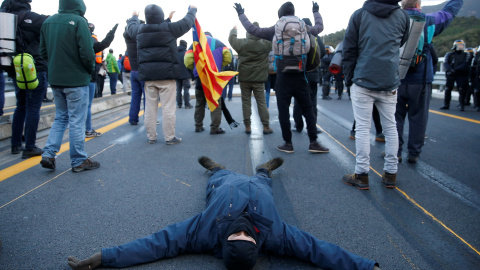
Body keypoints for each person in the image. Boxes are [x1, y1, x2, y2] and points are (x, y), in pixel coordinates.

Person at [67, 156, 381, 270]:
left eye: (237, 235)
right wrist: (367, 267)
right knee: (261, 180)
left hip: (225, 185)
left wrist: (105, 257)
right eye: (247, 236)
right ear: (258, 246)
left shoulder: (202, 232)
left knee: (219, 178)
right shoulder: (277, 236)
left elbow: (156, 244)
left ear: (224, 242)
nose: (242, 229)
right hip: (258, 188)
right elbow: (319, 250)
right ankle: (263, 169)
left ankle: (216, 168)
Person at [235, 1, 329, 154]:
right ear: (293, 12)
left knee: (283, 110)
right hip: (300, 75)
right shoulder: (303, 27)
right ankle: (313, 142)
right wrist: (316, 11)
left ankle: (288, 143)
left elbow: (253, 29)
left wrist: (241, 14)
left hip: (283, 76)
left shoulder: (277, 28)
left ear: (280, 14)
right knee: (308, 109)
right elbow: (319, 27)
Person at [342, 0, 409, 190]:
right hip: (389, 80)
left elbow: (349, 48)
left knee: (363, 128)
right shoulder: (403, 16)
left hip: (363, 79)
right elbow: (401, 42)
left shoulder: (360, 15)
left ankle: (361, 175)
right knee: (391, 127)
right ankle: (390, 174)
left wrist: (349, 79)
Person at [397, 0, 463, 164]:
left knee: (395, 117)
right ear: (418, 5)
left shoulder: (395, 20)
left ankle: (394, 151)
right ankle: (413, 153)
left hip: (396, 77)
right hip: (421, 79)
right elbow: (449, 12)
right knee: (418, 117)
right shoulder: (429, 20)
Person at [39, 0, 100, 172]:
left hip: (56, 79)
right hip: (76, 80)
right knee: (77, 121)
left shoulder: (48, 22)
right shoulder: (79, 21)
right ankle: (78, 160)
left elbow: (43, 51)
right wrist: (89, 71)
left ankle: (49, 153)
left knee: (61, 117)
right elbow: (87, 53)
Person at [128, 5, 196, 145]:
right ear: (161, 15)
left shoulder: (140, 30)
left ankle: (151, 137)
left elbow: (130, 28)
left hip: (148, 78)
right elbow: (188, 21)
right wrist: (192, 10)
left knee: (150, 109)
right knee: (168, 108)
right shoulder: (169, 29)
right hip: (167, 76)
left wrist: (134, 16)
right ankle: (170, 137)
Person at [1, 0, 48, 158]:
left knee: (20, 105)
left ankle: (15, 145)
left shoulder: (5, 20)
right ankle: (30, 146)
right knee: (33, 107)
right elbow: (51, 23)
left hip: (14, 68)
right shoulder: (30, 17)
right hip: (34, 68)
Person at [229, 23, 272, 135]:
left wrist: (234, 30)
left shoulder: (242, 43)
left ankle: (248, 126)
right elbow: (274, 39)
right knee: (261, 103)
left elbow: (231, 39)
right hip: (259, 79)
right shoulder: (265, 44)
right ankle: (266, 126)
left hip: (244, 79)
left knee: (246, 103)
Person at [185, 31, 232, 135]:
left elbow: (187, 60)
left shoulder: (194, 44)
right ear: (211, 36)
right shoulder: (219, 43)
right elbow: (228, 58)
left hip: (200, 78)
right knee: (215, 104)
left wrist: (196, 69)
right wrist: (219, 66)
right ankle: (214, 128)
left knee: (199, 103)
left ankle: (198, 126)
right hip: (213, 78)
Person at [293, 18, 325, 134]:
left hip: (300, 74)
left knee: (298, 101)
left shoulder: (298, 36)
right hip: (313, 74)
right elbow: (323, 52)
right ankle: (312, 126)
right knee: (312, 102)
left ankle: (298, 125)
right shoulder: (316, 37)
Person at [86, 22, 118, 138]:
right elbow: (103, 45)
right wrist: (112, 33)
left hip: (72, 76)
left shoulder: (73, 39)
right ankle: (87, 130)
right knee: (86, 106)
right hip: (89, 76)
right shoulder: (92, 39)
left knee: (64, 115)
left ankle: (50, 149)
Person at [440, 40, 471, 111]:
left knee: (461, 89)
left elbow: (466, 64)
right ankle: (446, 104)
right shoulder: (449, 54)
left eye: (462, 45)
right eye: (459, 45)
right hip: (451, 74)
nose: (461, 46)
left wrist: (456, 69)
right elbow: (446, 63)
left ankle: (461, 105)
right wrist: (450, 70)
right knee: (448, 89)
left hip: (461, 74)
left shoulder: (466, 54)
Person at [176, 40, 193, 109]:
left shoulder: (175, 53)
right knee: (186, 89)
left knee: (178, 89)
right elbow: (189, 64)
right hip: (185, 74)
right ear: (185, 45)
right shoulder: (186, 53)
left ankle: (179, 104)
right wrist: (192, 74)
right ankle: (187, 104)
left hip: (177, 74)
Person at [473, 46, 480, 112]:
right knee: (477, 90)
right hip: (478, 75)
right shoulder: (477, 56)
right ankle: (477, 105)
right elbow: (474, 65)